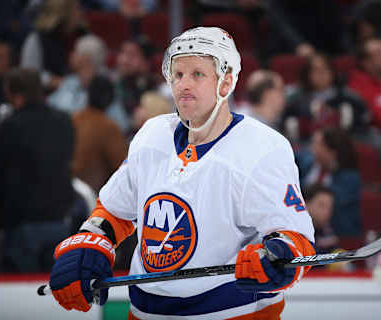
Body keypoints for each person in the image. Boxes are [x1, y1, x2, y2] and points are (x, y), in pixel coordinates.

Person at [48, 26, 316, 319]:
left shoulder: (262, 147)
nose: (183, 84)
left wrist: (278, 256)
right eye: (177, 75)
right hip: (144, 313)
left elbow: (295, 239)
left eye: (197, 74)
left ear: (225, 83)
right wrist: (92, 239)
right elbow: (114, 210)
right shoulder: (152, 135)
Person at [0, 68, 75, 272]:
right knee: (56, 292)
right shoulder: (64, 122)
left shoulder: (10, 126)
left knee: (20, 295)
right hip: (59, 220)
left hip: (23, 224)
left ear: (14, 94)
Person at [296, 127, 362, 236]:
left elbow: (328, 206)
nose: (311, 148)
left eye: (317, 144)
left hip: (332, 232)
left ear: (331, 151)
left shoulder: (349, 180)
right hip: (297, 225)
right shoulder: (305, 164)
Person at [71, 75, 128, 194]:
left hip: (67, 190)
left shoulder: (73, 120)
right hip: (91, 197)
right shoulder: (109, 128)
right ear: (110, 99)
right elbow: (124, 171)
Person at [20, 0, 87, 90]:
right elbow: (27, 73)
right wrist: (52, 81)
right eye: (77, 9)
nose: (81, 13)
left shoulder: (84, 36)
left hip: (79, 94)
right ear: (64, 13)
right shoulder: (37, 39)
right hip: (45, 96)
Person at [303, 184, 337, 254]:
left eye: (329, 207)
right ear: (305, 204)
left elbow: (334, 254)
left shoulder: (326, 230)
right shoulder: (294, 230)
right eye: (321, 205)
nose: (326, 212)